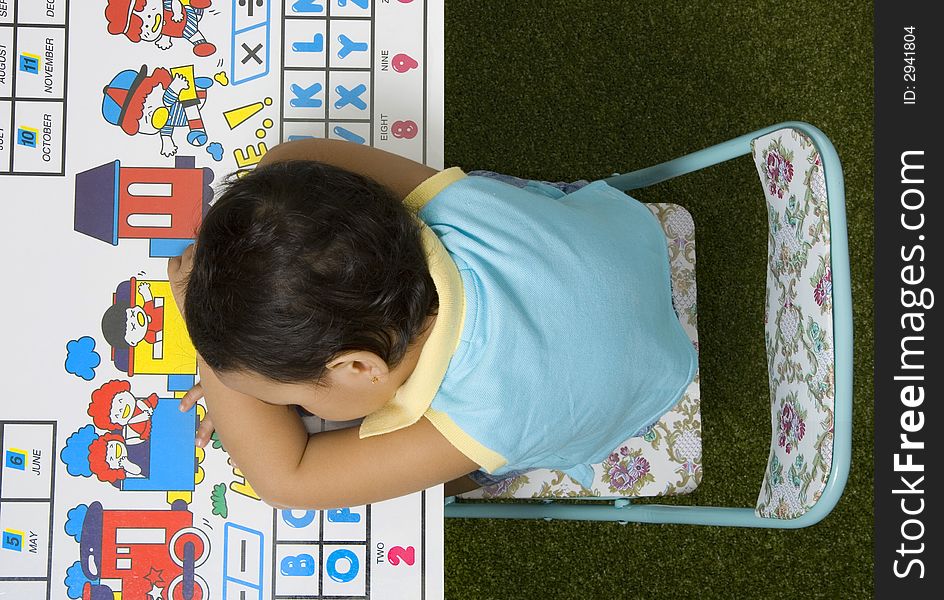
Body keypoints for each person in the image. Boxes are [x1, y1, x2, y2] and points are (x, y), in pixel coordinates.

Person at [169, 139, 697, 509]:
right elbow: (289, 161)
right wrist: (236, 328)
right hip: (621, 244)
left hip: (643, 378)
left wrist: (209, 341)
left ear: (359, 366)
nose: (294, 411)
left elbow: (287, 479)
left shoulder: (484, 417)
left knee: (442, 480)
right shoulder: (452, 209)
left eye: (293, 399)